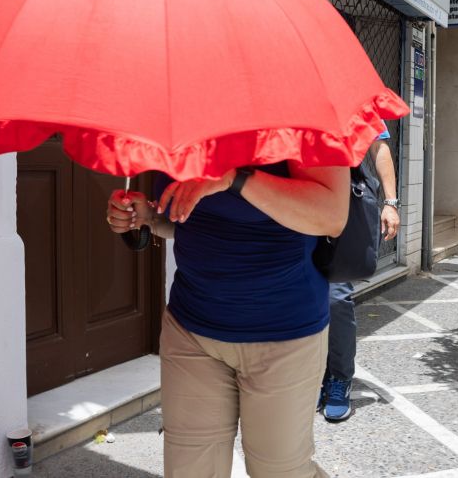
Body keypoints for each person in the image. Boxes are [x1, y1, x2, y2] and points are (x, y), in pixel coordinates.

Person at [107, 162, 349, 477]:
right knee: (190, 471)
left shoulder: (299, 117)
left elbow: (331, 216)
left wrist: (234, 179)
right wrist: (148, 217)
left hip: (284, 334)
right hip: (191, 330)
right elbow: (191, 221)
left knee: (280, 472)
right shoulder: (178, 121)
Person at [320, 133, 400, 422]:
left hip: (341, 207)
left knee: (336, 299)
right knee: (298, 297)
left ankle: (339, 379)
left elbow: (378, 146)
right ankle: (316, 377)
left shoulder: (351, 95)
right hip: (295, 203)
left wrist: (390, 202)